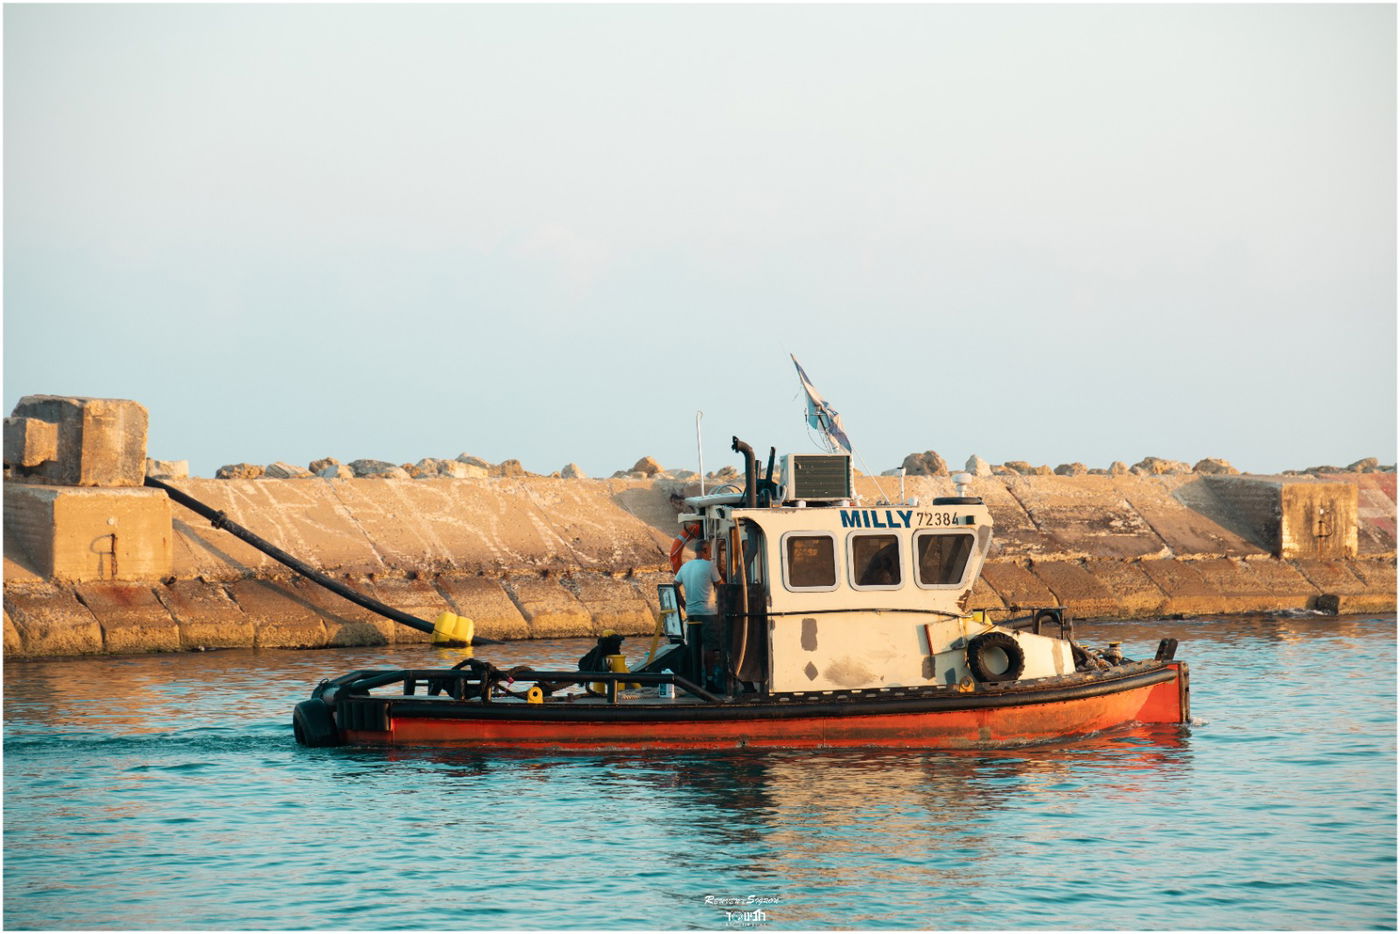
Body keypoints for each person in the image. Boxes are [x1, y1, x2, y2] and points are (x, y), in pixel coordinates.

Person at [673, 538, 724, 691]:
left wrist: (684, 605)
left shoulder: (685, 567)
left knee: (694, 646)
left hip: (691, 613)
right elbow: (721, 587)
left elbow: (674, 586)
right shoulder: (710, 566)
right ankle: (709, 681)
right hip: (708, 613)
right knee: (709, 647)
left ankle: (694, 681)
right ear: (706, 551)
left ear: (696, 551)